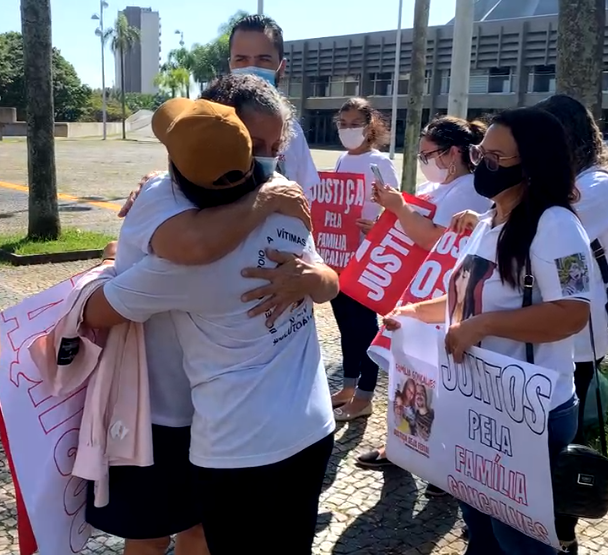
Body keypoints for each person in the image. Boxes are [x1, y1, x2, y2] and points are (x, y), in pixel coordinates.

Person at [82, 96, 338, 555]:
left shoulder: (265, 205)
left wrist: (106, 266)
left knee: (195, 534)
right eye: (255, 144)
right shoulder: (263, 202)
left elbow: (97, 311)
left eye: (273, 146)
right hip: (169, 411)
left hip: (232, 434)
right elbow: (196, 242)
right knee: (159, 533)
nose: (266, 156)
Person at [387, 107, 596, 554]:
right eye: (483, 153)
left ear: (533, 164)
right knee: (479, 523)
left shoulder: (557, 225)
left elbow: (574, 312)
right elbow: (475, 294)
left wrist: (482, 326)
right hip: (479, 401)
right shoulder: (489, 220)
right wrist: (415, 312)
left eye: (497, 158)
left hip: (531, 409)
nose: (484, 164)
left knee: (518, 538)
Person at [357, 115, 493, 498]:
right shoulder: (441, 186)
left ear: (453, 154)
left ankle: (441, 466)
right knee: (411, 377)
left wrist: (398, 211)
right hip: (421, 293)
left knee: (440, 383)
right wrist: (389, 223)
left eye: (428, 153)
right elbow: (419, 232)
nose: (423, 160)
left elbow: (437, 239)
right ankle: (403, 448)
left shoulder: (467, 190)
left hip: (443, 300)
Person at [535, 94, 608, 555]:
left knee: (565, 448)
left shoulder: (598, 186)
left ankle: (562, 532)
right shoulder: (570, 182)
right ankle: (536, 519)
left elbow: (544, 227)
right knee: (537, 441)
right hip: (543, 333)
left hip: (578, 335)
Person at [328, 97, 399, 421]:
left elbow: (396, 209)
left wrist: (378, 227)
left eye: (355, 124)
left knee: (364, 328)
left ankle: (365, 396)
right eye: (343, 124)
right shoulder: (342, 159)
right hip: (339, 256)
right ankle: (348, 386)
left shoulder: (379, 162)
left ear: (370, 125)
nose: (348, 130)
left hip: (366, 259)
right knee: (344, 324)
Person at [229, 14, 319, 195]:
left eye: (263, 59)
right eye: (242, 60)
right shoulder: (207, 124)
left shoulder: (293, 131)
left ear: (281, 67)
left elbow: (305, 197)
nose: (252, 69)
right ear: (230, 65)